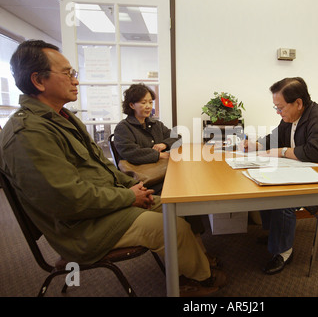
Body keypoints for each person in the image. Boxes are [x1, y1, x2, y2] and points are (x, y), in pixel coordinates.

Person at [0, 39, 225, 296]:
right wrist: (129, 196)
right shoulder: (27, 133)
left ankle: (195, 264)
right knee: (171, 226)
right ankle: (198, 280)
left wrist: (132, 187)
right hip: (82, 228)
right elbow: (65, 199)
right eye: (68, 73)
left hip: (103, 208)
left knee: (178, 205)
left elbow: (101, 168)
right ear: (39, 81)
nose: (76, 80)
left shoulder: (64, 118)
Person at [242, 77, 318, 275]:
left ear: (298, 103)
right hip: (306, 171)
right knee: (263, 182)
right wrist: (255, 145)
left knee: (283, 196)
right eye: (276, 107)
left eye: (280, 107)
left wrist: (282, 152)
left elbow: (315, 153)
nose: (278, 112)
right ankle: (275, 233)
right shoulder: (290, 118)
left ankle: (283, 252)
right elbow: (275, 137)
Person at [114, 83, 221, 268]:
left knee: (189, 194)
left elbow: (177, 138)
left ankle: (198, 247)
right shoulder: (124, 128)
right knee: (184, 197)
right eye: (143, 102)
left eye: (150, 102)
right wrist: (157, 155)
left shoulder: (155, 123)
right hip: (145, 182)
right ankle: (197, 252)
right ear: (131, 105)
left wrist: (163, 144)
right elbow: (128, 152)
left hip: (165, 174)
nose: (148, 106)